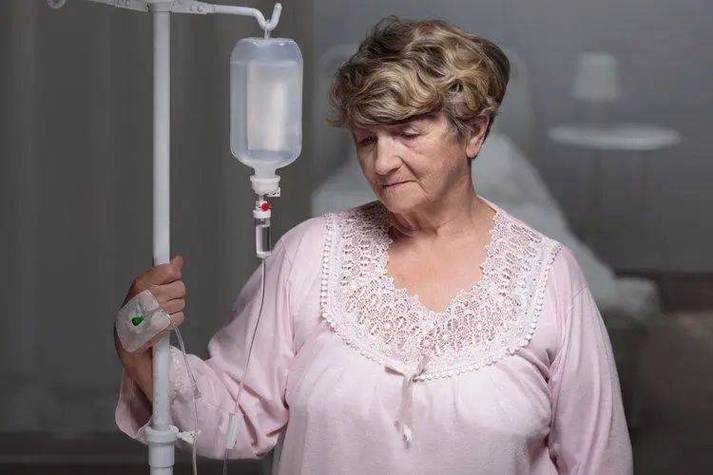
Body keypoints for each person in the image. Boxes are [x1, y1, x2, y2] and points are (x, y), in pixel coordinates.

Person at [114, 15, 633, 474]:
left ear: (474, 132)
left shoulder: (548, 277)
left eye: (407, 134)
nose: (382, 163)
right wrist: (139, 340)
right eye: (367, 139)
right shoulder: (309, 255)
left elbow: (597, 461)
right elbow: (235, 417)